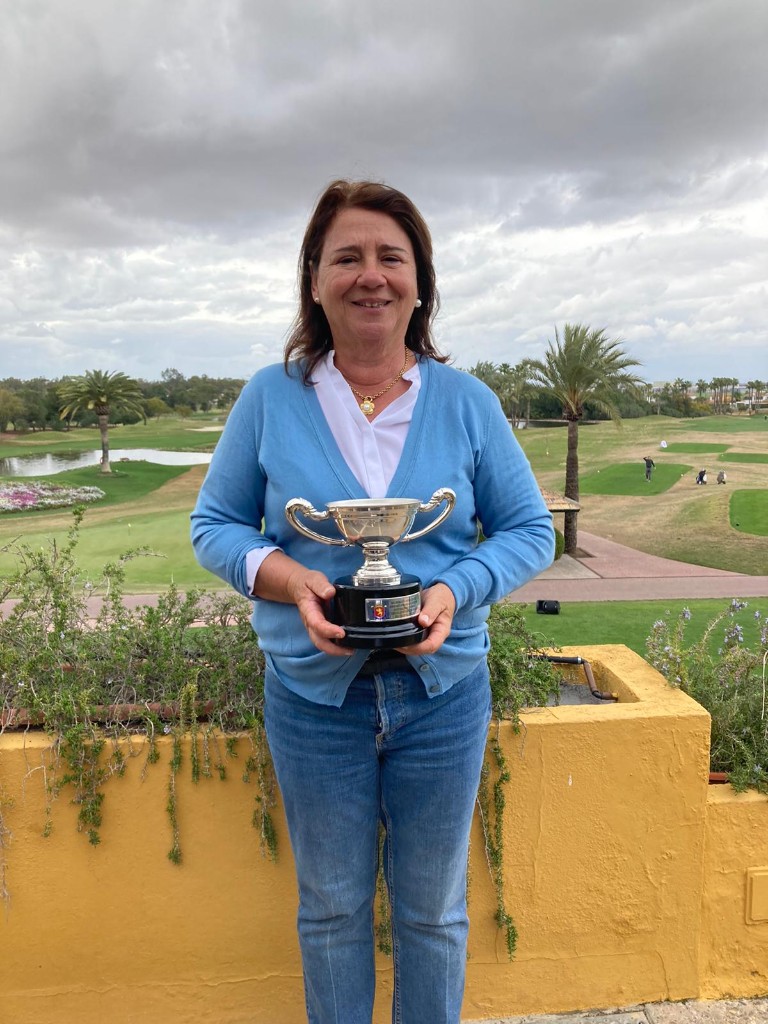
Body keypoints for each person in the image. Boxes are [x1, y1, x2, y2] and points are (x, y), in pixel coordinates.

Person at [191, 179, 555, 1024]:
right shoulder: (270, 397)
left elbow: (529, 530)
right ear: (314, 279)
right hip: (314, 700)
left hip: (444, 696)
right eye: (346, 256)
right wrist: (293, 580)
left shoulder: (467, 403)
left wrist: (452, 591)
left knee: (433, 915)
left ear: (419, 281)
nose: (371, 275)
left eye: (391, 256)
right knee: (330, 912)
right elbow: (214, 524)